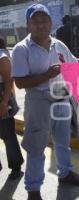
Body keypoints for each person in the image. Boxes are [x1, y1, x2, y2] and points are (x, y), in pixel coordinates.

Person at [11, 4, 79, 200]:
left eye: (44, 20)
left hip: (61, 98)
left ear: (51, 23)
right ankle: (33, 189)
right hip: (38, 101)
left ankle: (65, 172)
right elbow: (19, 82)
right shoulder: (21, 49)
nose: (40, 25)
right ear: (28, 24)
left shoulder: (59, 45)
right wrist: (46, 75)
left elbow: (73, 65)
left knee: (63, 141)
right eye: (35, 21)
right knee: (36, 146)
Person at [0, 38, 24, 180]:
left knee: (7, 134)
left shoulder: (2, 56)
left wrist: (4, 103)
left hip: (2, 98)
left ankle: (16, 166)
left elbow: (9, 80)